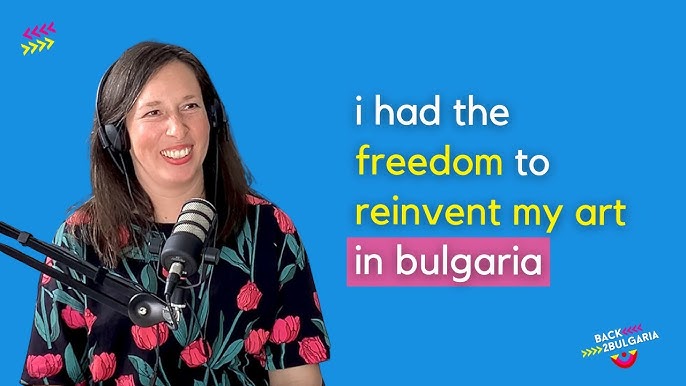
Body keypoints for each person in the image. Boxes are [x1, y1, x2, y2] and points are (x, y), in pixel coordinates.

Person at [19, 41, 331, 386]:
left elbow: (297, 376)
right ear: (117, 134)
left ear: (214, 118)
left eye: (190, 106)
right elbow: (48, 377)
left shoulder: (269, 229)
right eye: (154, 112)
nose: (177, 129)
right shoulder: (79, 239)